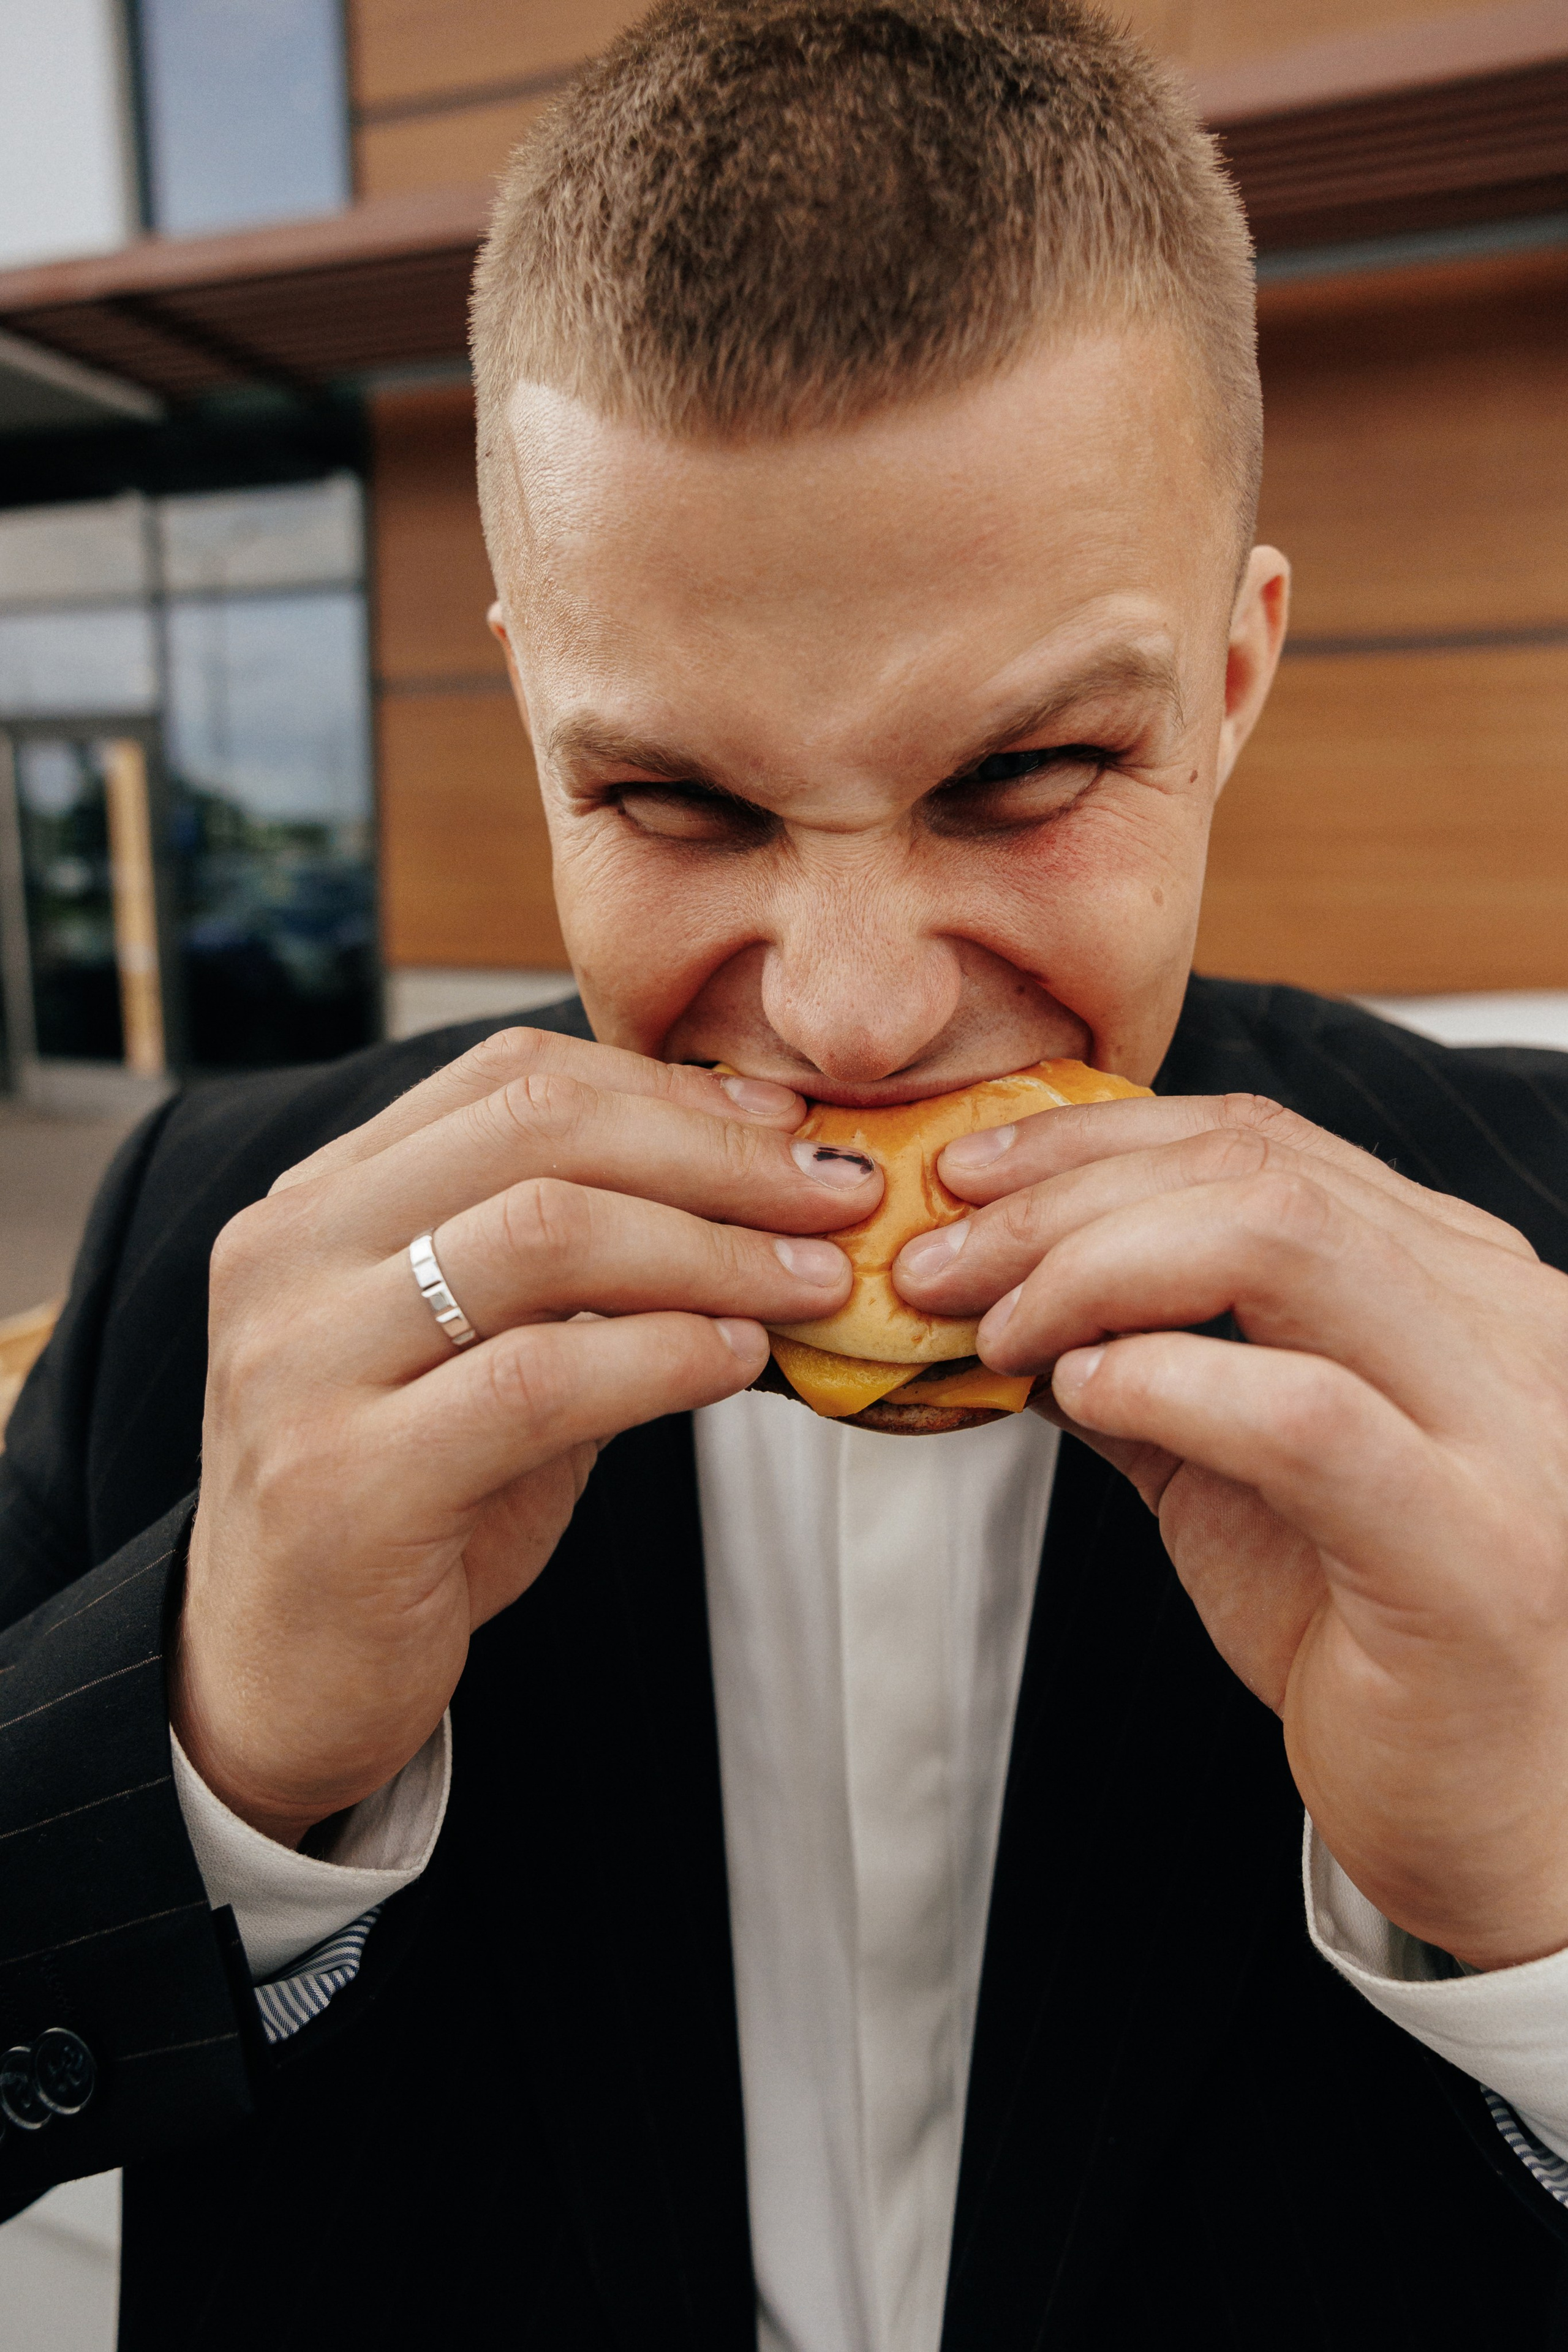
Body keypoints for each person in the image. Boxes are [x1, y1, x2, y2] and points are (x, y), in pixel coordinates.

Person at [4, 1, 1568, 2342]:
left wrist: (1550, 1880)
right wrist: (208, 1753)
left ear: (1231, 686)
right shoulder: (211, 1244)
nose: (846, 1012)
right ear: (539, 724)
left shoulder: (1542, 1253)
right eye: (676, 803)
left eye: (1027, 772)